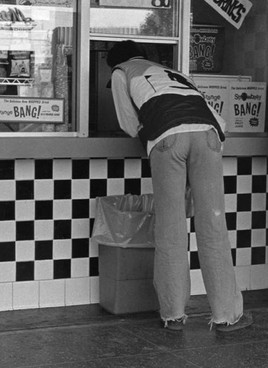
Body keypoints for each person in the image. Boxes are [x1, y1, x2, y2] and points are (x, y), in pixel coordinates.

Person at [106, 40, 253, 332]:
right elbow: (220, 121)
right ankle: (227, 315)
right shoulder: (176, 73)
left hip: (167, 136)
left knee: (171, 229)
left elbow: (127, 122)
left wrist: (151, 137)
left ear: (115, 63)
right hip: (208, 135)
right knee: (213, 225)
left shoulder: (121, 72)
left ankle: (173, 314)